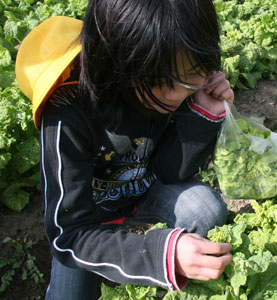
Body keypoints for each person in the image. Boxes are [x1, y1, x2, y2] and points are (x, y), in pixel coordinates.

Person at [15, 1, 234, 299]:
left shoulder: (169, 72)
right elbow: (68, 235)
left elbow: (169, 172)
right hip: (88, 227)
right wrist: (160, 255)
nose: (178, 94)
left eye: (192, 74)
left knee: (202, 207)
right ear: (116, 61)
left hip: (142, 202)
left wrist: (201, 115)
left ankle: (139, 267)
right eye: (161, 82)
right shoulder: (66, 113)